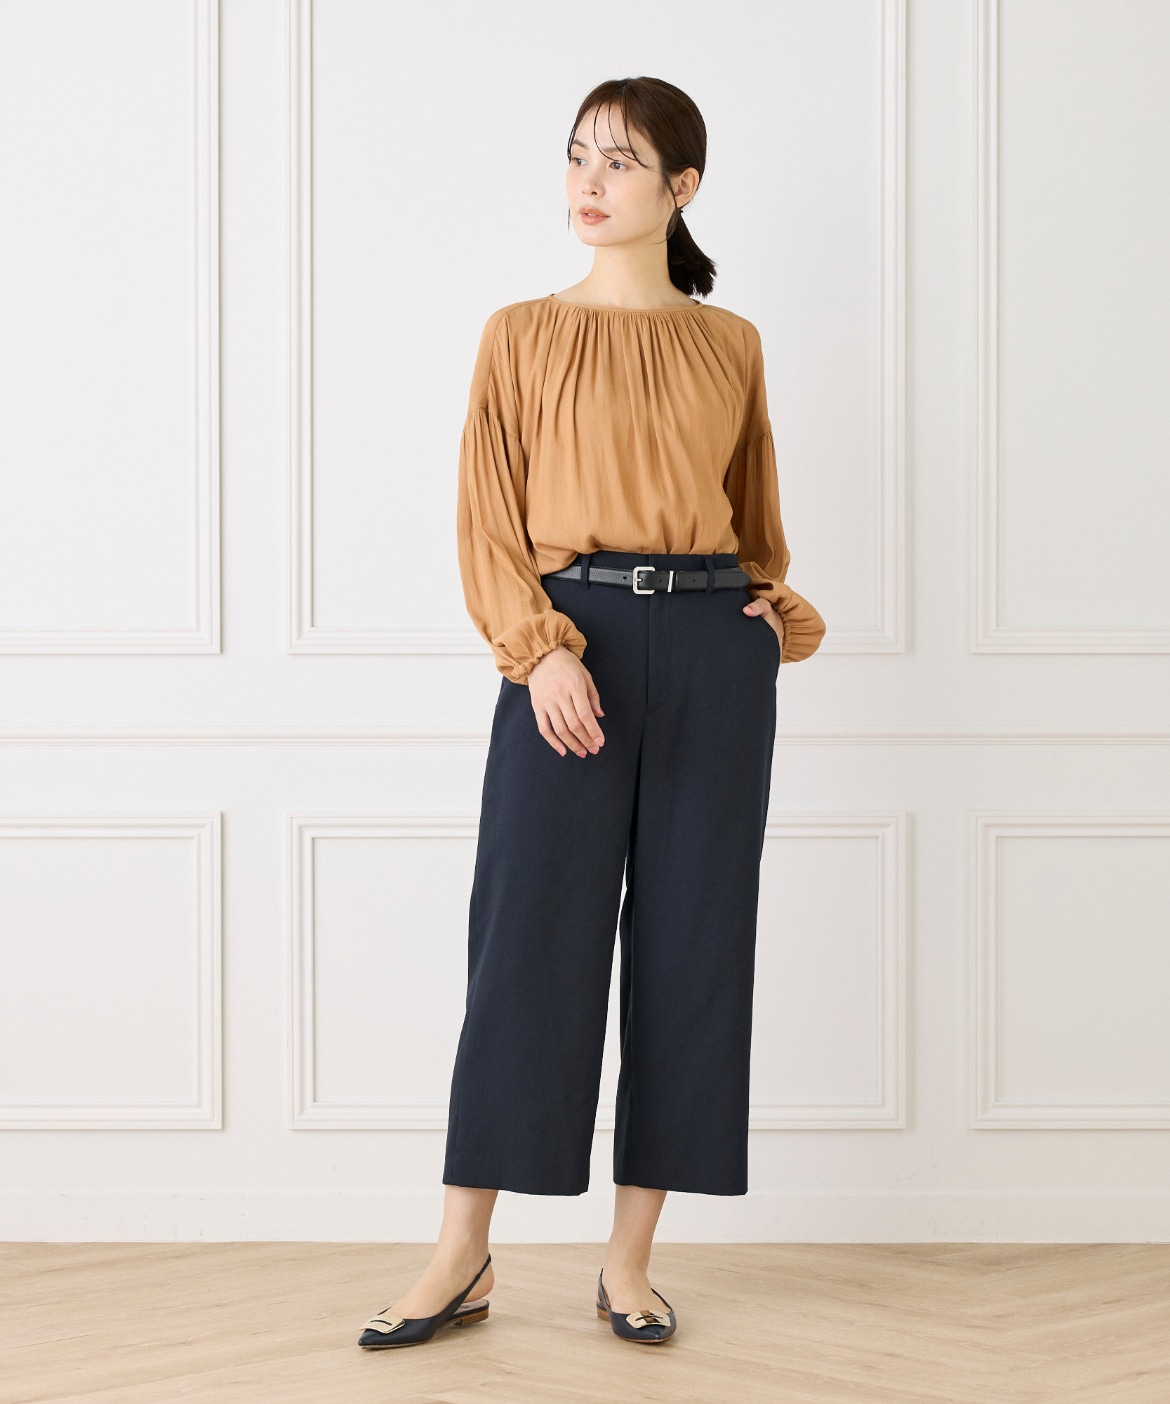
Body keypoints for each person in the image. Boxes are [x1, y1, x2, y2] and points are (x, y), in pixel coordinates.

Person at [358, 75, 825, 1353]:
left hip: (713, 653)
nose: (590, 182)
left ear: (682, 188)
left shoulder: (732, 344)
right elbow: (487, 515)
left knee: (693, 946)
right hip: (573, 644)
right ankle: (461, 1253)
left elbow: (754, 510)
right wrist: (538, 651)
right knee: (527, 940)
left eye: (620, 162)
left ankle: (629, 1264)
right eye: (578, 157)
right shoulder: (520, 333)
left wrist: (765, 614)